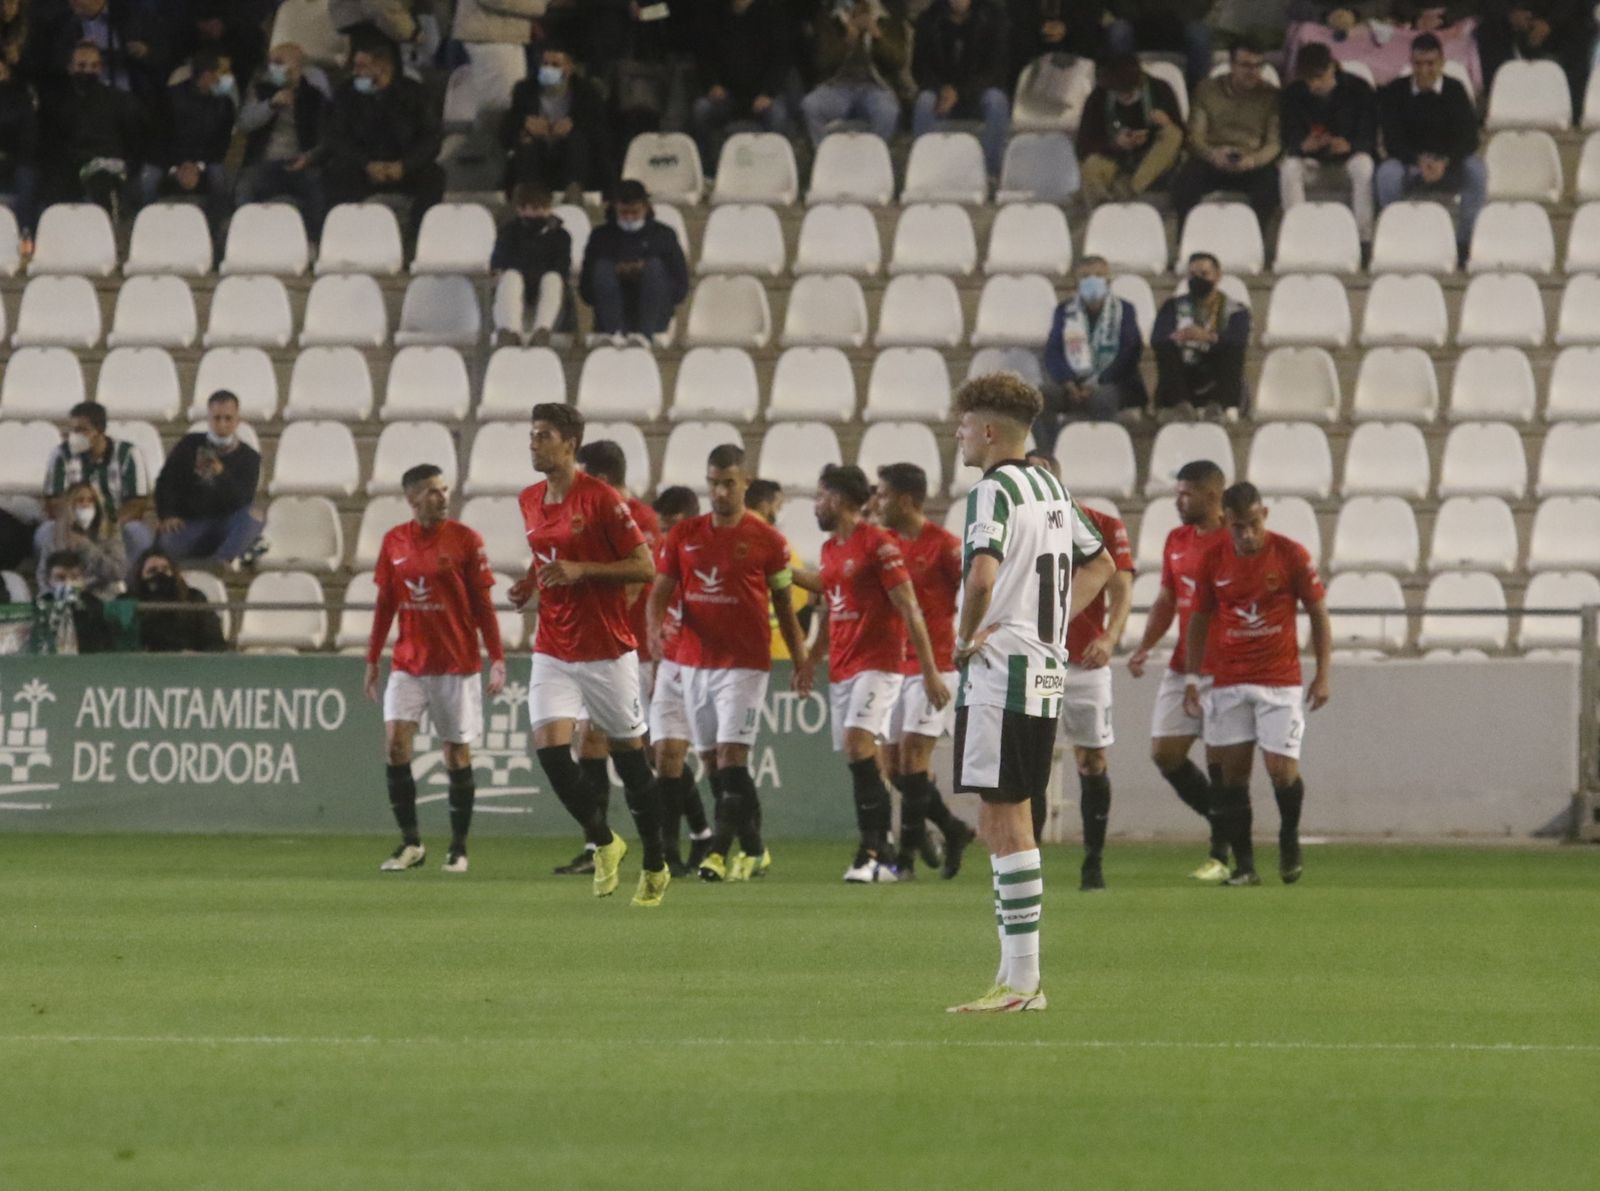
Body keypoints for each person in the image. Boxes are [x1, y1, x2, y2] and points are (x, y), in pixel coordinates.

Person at [945, 372, 1115, 1014]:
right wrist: (1051, 624)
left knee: (1007, 817)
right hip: (1040, 666)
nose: (958, 435)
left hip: (1002, 669)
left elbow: (982, 577)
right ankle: (1016, 973)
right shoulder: (1048, 486)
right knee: (1002, 814)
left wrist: (967, 637)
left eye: (963, 425)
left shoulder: (991, 492)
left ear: (988, 431)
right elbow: (1100, 562)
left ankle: (1023, 982)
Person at [508, 403, 670, 907]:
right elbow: (547, 556)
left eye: (544, 435)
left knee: (633, 764)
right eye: (532, 434)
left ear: (570, 444)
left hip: (605, 651)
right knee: (552, 752)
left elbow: (644, 567)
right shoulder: (529, 499)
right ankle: (604, 841)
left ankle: (657, 863)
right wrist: (532, 583)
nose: (534, 443)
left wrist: (582, 571)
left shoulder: (600, 500)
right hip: (553, 647)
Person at [648, 444, 812, 883]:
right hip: (692, 662)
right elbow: (660, 591)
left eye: (728, 483)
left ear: (745, 482)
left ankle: (717, 854)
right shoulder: (684, 536)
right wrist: (653, 629)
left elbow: (785, 604)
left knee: (731, 756)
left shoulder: (769, 542)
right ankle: (754, 850)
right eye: (713, 483)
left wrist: (801, 660)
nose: (720, 492)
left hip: (744, 664)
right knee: (712, 763)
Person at [801, 463, 948, 883]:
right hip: (843, 667)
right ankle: (883, 850)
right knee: (864, 759)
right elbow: (831, 607)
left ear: (842, 500)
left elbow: (909, 608)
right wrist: (812, 659)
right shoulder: (831, 550)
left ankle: (872, 851)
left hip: (879, 665)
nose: (815, 505)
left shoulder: (878, 544)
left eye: (820, 496)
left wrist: (932, 673)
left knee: (858, 743)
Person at [1183, 482, 1331, 886]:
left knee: (1280, 771)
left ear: (1264, 515)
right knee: (1232, 776)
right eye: (1237, 527)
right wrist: (1194, 678)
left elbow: (1318, 613)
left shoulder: (1291, 554)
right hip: (1229, 680)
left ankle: (1288, 836)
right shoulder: (1213, 559)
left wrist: (1323, 673)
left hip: (1279, 680)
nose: (1246, 535)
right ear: (1225, 522)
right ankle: (1246, 865)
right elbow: (1198, 620)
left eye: (1252, 525)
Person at [365, 464, 507, 875]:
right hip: (408, 663)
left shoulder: (466, 540)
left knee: (455, 754)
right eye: (432, 491)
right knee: (395, 745)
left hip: (456, 664)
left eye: (444, 489)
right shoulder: (394, 541)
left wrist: (496, 657)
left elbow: (483, 605)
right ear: (411, 498)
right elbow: (386, 605)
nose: (442, 497)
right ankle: (411, 844)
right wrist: (373, 659)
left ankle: (458, 848)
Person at [549, 439, 662, 878]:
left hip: (629, 651)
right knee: (592, 741)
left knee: (643, 749)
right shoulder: (589, 514)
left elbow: (635, 583)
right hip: (592, 650)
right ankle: (598, 844)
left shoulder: (640, 519)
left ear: (598, 475)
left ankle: (665, 841)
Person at [1028, 452, 1134, 890]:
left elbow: (1121, 585)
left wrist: (1109, 638)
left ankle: (1093, 861)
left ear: (1058, 479)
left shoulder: (1101, 524)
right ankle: (1027, 862)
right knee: (1031, 760)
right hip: (1035, 659)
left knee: (1091, 759)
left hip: (1085, 662)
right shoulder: (1018, 527)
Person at [1126, 459, 1233, 882]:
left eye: (1186, 493)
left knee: (1219, 761)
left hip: (1224, 667)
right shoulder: (1177, 539)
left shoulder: (1233, 542)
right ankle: (1228, 824)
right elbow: (1167, 599)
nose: (1178, 501)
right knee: (1165, 753)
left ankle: (1221, 853)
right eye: (1177, 492)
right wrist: (1145, 646)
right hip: (1183, 663)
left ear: (1212, 495)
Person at [874, 462, 977, 881]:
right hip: (892, 667)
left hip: (934, 666)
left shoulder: (946, 547)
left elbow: (978, 593)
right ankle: (953, 830)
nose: (876, 502)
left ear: (905, 500)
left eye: (882, 495)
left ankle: (906, 861)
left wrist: (968, 644)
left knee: (915, 757)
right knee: (895, 769)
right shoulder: (882, 545)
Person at [644, 484, 715, 875]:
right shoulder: (661, 554)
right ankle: (671, 851)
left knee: (709, 759)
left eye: (673, 526)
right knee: (664, 755)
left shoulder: (708, 554)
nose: (667, 535)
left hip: (704, 665)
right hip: (670, 663)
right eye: (662, 528)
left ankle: (722, 840)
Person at [311, 38, 443, 236]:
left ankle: (420, 238)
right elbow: (336, 138)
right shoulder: (346, 94)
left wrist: (404, 165)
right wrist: (366, 163)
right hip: (362, 166)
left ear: (383, 68)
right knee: (333, 175)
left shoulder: (414, 94)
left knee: (435, 176)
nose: (355, 72)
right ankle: (336, 236)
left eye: (362, 67)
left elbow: (431, 138)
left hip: (403, 167)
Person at [1375, 33, 1486, 267]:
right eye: (1418, 64)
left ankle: (1464, 244)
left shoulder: (1455, 90)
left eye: (1430, 64)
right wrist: (1418, 161)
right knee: (1387, 174)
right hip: (1411, 164)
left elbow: (1469, 138)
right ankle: (1396, 239)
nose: (1424, 71)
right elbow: (1392, 139)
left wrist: (1444, 161)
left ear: (1442, 62)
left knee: (1476, 170)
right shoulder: (1396, 91)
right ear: (1411, 64)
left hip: (1449, 164)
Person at [1170, 42, 1281, 235]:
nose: (1252, 71)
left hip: (1251, 160)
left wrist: (1253, 160)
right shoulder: (1207, 90)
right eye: (1246, 65)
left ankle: (1254, 241)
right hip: (1213, 157)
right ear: (1232, 65)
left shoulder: (1272, 96)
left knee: (1270, 186)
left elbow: (1274, 142)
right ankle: (1186, 239)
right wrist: (1211, 154)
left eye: (1258, 66)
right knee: (1185, 182)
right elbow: (1195, 135)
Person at [1279, 42, 1377, 249]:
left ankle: (1364, 238)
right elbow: (1288, 137)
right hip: (1312, 162)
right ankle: (1296, 235)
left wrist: (1349, 145)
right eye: (1308, 79)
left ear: (1332, 67)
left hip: (1348, 161)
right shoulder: (1293, 94)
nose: (1314, 84)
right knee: (1289, 169)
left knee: (1364, 166)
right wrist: (1303, 146)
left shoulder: (1358, 88)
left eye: (1319, 77)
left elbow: (1369, 135)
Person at [1039, 254, 1146, 444]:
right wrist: (1068, 381)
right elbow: (1053, 351)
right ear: (1076, 281)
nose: (1092, 281)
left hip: (1113, 382)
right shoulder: (1064, 311)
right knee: (1038, 397)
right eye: (1085, 276)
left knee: (1101, 396)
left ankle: (1100, 451)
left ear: (1108, 280)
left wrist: (1097, 381)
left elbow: (1129, 353)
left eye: (1098, 275)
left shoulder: (1124, 309)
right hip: (1072, 384)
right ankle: (1049, 451)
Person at [41, 400, 154, 575]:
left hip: (115, 524)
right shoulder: (60, 454)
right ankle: (55, 585)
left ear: (99, 431)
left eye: (81, 430)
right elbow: (54, 501)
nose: (74, 435)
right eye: (72, 430)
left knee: (138, 533)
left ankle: (129, 585)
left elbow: (137, 503)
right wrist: (73, 524)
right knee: (45, 532)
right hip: (73, 523)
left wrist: (107, 526)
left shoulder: (128, 454)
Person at [154, 391, 265, 566]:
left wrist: (221, 474)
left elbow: (242, 500)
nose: (222, 424)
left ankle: (220, 561)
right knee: (168, 545)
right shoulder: (189, 445)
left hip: (226, 525)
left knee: (253, 516)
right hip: (191, 524)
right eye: (216, 418)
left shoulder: (249, 457)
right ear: (209, 419)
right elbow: (165, 482)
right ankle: (243, 550)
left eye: (228, 418)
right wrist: (167, 514)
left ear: (237, 421)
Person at [234, 42, 330, 239]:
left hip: (300, 163)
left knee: (318, 187)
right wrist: (270, 105)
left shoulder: (315, 96)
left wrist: (309, 158)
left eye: (279, 63)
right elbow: (244, 123)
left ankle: (315, 242)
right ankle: (244, 238)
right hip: (264, 162)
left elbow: (326, 137)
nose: (273, 68)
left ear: (295, 66)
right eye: (271, 63)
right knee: (245, 186)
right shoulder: (261, 90)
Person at [577, 179, 689, 347]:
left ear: (645, 207)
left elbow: (680, 287)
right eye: (624, 212)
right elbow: (586, 290)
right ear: (615, 208)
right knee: (602, 267)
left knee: (655, 267)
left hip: (654, 311)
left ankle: (644, 335)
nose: (629, 218)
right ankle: (613, 331)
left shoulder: (663, 235)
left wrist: (644, 272)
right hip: (610, 310)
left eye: (635, 212)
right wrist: (616, 272)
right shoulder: (600, 236)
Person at [40, 41, 145, 215]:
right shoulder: (56, 103)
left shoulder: (119, 101)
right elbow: (50, 143)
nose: (88, 71)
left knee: (102, 180)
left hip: (108, 165)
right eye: (82, 65)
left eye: (94, 66)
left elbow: (134, 140)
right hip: (69, 166)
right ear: (70, 68)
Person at [911, 0, 1011, 180]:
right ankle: (925, 171)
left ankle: (990, 173)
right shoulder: (929, 19)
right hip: (941, 92)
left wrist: (960, 93)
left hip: (977, 90)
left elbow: (996, 70)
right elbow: (920, 68)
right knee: (924, 102)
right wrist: (941, 89)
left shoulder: (994, 18)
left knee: (997, 101)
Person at [140, 48, 234, 235]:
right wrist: (177, 168)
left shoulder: (225, 104)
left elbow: (221, 145)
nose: (229, 77)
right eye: (223, 72)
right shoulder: (168, 97)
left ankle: (214, 235)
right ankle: (145, 230)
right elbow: (158, 139)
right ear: (207, 74)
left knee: (220, 179)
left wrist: (198, 167)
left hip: (203, 160)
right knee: (148, 180)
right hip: (169, 159)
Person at [691, 0, 793, 171]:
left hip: (763, 96)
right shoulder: (716, 14)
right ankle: (707, 171)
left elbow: (781, 60)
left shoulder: (771, 13)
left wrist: (768, 93)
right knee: (701, 109)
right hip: (728, 96)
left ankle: (774, 170)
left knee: (778, 115)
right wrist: (712, 85)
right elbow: (704, 58)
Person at [501, 42, 612, 199]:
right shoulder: (525, 90)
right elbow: (506, 128)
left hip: (570, 153)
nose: (548, 69)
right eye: (545, 64)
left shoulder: (587, 92)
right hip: (537, 151)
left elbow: (600, 130)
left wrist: (574, 124)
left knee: (577, 140)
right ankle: (527, 195)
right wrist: (524, 122)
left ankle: (574, 192)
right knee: (526, 142)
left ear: (569, 67)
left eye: (555, 65)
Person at [1152, 252, 1251, 419]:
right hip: (1183, 372)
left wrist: (1208, 337)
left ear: (1217, 276)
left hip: (1215, 372)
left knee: (1233, 350)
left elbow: (1239, 339)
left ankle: (1220, 406)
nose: (1197, 279)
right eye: (1192, 275)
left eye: (1204, 274)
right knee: (1165, 348)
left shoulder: (1236, 310)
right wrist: (1181, 336)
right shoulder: (1173, 306)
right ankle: (1180, 405)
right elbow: (1158, 337)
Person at [1077, 52, 1183, 206]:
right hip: (1115, 159)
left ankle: (1128, 191)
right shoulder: (1098, 97)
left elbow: (1183, 137)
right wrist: (1115, 144)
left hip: (1151, 161)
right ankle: (1100, 210)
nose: (1125, 98)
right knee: (1091, 165)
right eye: (1119, 93)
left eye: (1128, 93)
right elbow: (1083, 145)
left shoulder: (1160, 89)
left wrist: (1167, 123)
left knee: (1173, 133)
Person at [801, 0, 909, 146]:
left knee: (888, 112)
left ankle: (872, 157)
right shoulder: (829, 16)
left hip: (875, 86)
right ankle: (824, 156)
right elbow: (821, 62)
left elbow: (898, 60)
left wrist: (877, 35)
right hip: (837, 86)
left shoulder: (887, 17)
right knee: (810, 105)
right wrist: (847, 41)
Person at [491, 182, 572, 346]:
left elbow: (562, 267)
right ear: (520, 210)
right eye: (533, 208)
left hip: (546, 286)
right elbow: (499, 261)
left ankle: (542, 331)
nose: (538, 213)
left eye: (542, 208)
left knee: (553, 278)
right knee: (510, 277)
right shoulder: (509, 231)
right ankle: (511, 332)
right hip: (518, 283)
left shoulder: (561, 235)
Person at [746, 478, 812, 660]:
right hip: (774, 648)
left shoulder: (725, 537)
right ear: (766, 505)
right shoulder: (775, 542)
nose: (780, 511)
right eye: (779, 505)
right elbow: (798, 599)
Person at [33, 482, 125, 598]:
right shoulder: (54, 532)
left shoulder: (109, 532)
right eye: (80, 500)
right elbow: (43, 573)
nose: (86, 505)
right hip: (59, 595)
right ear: (69, 504)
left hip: (100, 596)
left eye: (90, 500)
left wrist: (86, 547)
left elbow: (118, 571)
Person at [132, 548, 227, 653]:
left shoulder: (194, 599)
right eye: (152, 571)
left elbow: (215, 642)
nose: (160, 575)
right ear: (140, 576)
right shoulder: (129, 602)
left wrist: (197, 655)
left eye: (165, 569)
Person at [1106, 0, 1214, 87]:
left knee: (1199, 34)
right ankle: (1123, 88)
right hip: (1139, 27)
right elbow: (1118, 4)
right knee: (1118, 31)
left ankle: (1197, 93)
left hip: (1179, 26)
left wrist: (1175, 16)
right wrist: (1146, 16)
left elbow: (1201, 4)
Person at [30, 549, 115, 655]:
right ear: (49, 580)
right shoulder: (40, 605)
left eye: (74, 577)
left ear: (82, 579)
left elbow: (103, 644)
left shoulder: (94, 605)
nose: (68, 583)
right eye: (60, 578)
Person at [1007, 0, 1112, 82]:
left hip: (1074, 32)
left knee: (1089, 35)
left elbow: (1093, 10)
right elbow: (1016, 9)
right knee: (1016, 37)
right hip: (1033, 31)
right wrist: (1040, 25)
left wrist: (1066, 27)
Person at [0, 53, 39, 241]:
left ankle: (25, 236)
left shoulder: (20, 98)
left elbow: (27, 137)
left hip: (16, 159)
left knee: (26, 175)